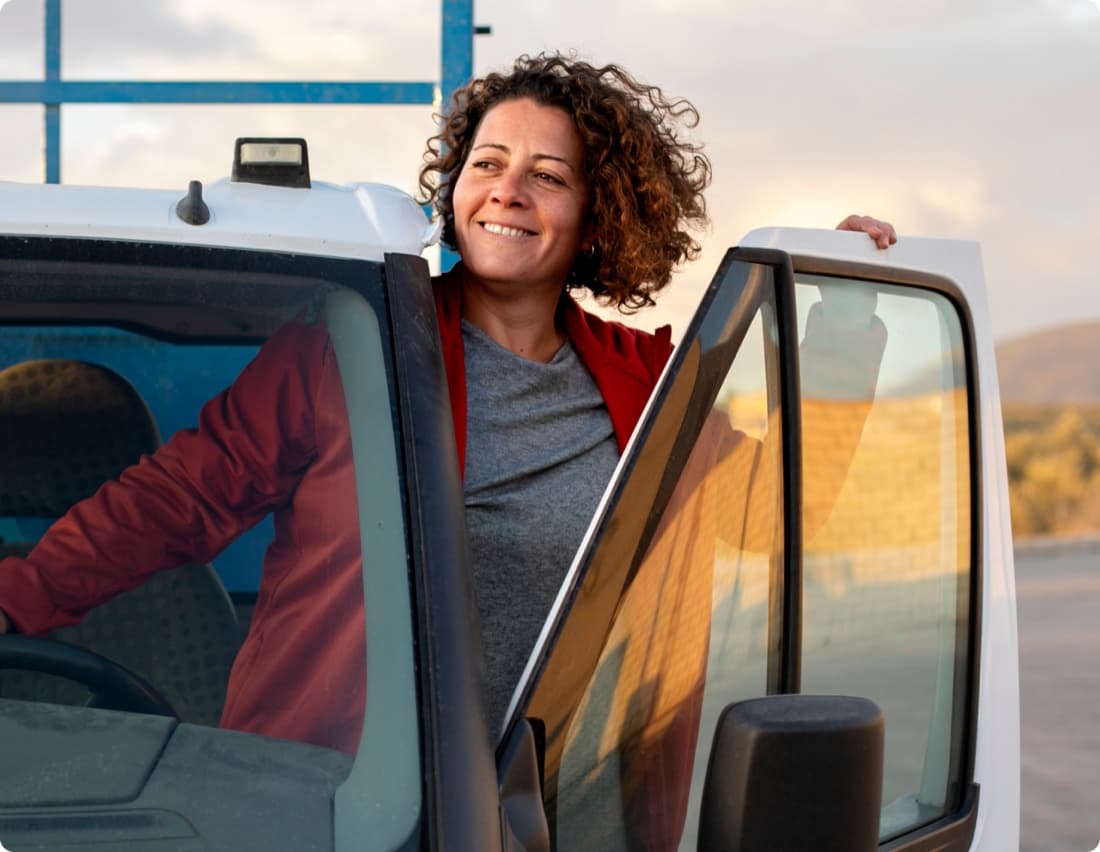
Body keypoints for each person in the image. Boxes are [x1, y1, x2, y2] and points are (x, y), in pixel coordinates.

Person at [0, 53, 896, 753]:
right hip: (350, 789)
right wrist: (18, 598)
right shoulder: (350, 347)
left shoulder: (643, 381)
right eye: (488, 162)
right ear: (456, 186)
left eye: (549, 174)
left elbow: (770, 510)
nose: (508, 189)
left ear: (598, 215)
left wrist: (847, 324)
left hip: (559, 800)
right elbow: (177, 500)